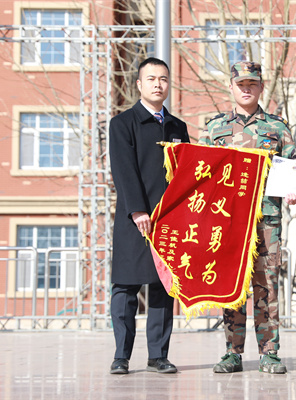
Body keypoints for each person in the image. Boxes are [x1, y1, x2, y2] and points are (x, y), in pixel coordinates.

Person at [198, 61, 296, 374]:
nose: (246, 89)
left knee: (266, 286)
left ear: (261, 87)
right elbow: (201, 175)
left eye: (252, 84)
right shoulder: (214, 128)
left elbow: (294, 169)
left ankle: (270, 352)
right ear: (231, 87)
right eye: (241, 84)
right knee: (232, 286)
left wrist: (295, 189)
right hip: (228, 222)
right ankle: (232, 352)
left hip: (266, 222)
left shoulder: (278, 128)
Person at [108, 57, 190, 375]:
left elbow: (187, 174)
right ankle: (121, 356)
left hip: (169, 221)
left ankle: (158, 355)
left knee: (162, 287)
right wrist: (138, 209)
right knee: (125, 287)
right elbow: (123, 170)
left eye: (164, 79)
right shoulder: (123, 123)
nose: (158, 84)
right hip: (134, 219)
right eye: (152, 79)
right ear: (139, 84)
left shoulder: (178, 127)